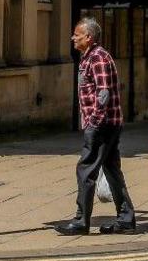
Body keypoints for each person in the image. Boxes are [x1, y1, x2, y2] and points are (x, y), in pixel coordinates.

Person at [58, 17, 136, 236]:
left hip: (103, 125)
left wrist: (93, 123)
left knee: (86, 169)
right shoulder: (88, 57)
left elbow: (104, 93)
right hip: (107, 124)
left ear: (89, 37)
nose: (73, 38)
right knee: (111, 170)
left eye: (77, 34)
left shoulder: (98, 57)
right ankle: (125, 219)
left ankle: (81, 220)